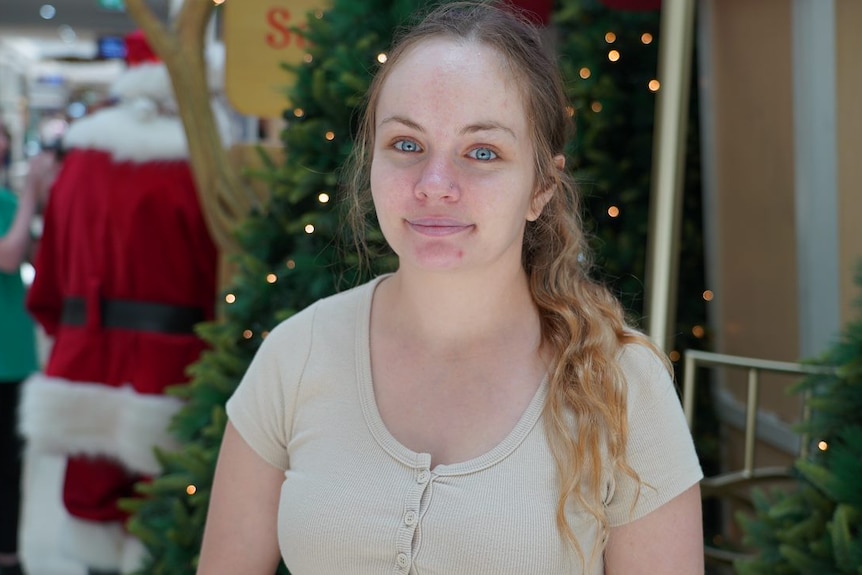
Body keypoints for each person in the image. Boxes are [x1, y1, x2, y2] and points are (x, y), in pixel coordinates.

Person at [197, 2, 704, 574]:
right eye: (406, 145)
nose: (434, 186)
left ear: (540, 187)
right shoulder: (296, 355)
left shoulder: (621, 387)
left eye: (482, 152)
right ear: (370, 163)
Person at [18, 31, 223, 575]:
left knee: (94, 520)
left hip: (86, 363)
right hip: (176, 370)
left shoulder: (79, 165)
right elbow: (217, 278)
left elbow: (49, 281)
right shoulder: (202, 169)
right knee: (170, 524)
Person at [0, 122, 59, 575]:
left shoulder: (5, 202)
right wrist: (32, 198)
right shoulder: (11, 204)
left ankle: (8, 551)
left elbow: (37, 258)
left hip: (12, 348)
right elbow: (8, 254)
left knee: (11, 460)